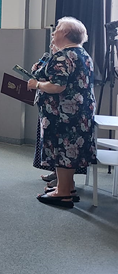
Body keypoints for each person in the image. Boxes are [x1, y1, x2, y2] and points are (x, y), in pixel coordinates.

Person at [27, 17, 97, 208]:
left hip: (63, 115)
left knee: (62, 151)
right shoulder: (82, 54)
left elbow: (57, 86)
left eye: (57, 29)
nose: (54, 32)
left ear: (65, 33)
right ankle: (68, 187)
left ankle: (63, 192)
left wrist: (36, 85)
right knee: (70, 151)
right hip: (80, 112)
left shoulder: (64, 56)